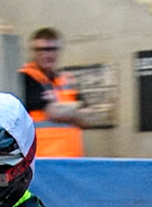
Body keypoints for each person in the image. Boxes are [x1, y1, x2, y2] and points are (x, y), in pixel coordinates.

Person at [19, 27, 106, 158]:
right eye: (41, 50)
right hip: (41, 161)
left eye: (52, 49)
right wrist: (76, 108)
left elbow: (88, 119)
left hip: (72, 160)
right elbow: (54, 112)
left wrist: (63, 109)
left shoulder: (67, 80)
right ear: (34, 52)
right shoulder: (26, 78)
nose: (47, 54)